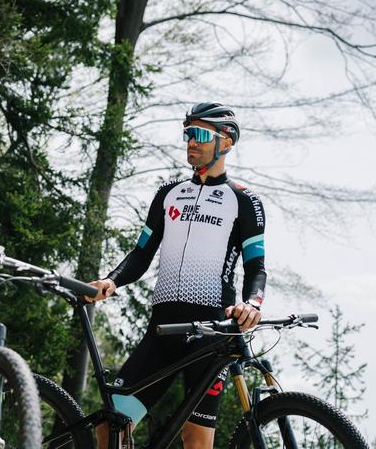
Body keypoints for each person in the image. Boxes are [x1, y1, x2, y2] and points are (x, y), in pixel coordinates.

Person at [89, 103, 267, 448]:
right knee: (110, 427)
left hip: (209, 334)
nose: (191, 142)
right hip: (162, 329)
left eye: (200, 135)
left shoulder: (243, 200)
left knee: (196, 440)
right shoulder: (168, 193)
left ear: (227, 142)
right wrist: (111, 280)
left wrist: (252, 303)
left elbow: (256, 266)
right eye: (188, 134)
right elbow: (141, 253)